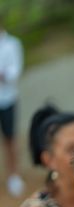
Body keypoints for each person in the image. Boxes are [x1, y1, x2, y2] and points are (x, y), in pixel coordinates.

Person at [0, 18, 24, 196]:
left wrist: (3, 74)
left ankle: (14, 175)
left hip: (7, 99)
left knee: (10, 138)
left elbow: (15, 71)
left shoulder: (12, 44)